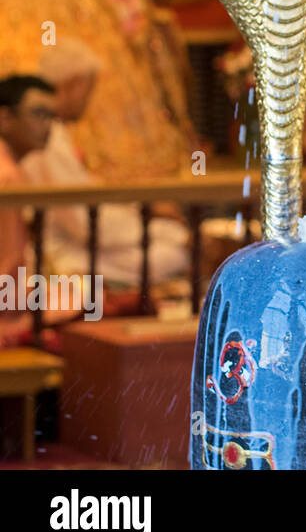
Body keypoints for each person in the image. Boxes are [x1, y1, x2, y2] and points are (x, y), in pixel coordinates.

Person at [21, 41, 192, 290]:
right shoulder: (49, 137)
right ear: (74, 84)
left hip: (77, 242)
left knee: (172, 243)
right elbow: (83, 223)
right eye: (88, 90)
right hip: (62, 253)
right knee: (173, 253)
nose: (88, 101)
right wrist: (164, 229)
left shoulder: (53, 133)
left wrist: (148, 214)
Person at [0, 75, 55, 347]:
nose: (48, 126)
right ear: (5, 118)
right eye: (38, 114)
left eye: (51, 117)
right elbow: (8, 268)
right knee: (95, 301)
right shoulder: (8, 176)